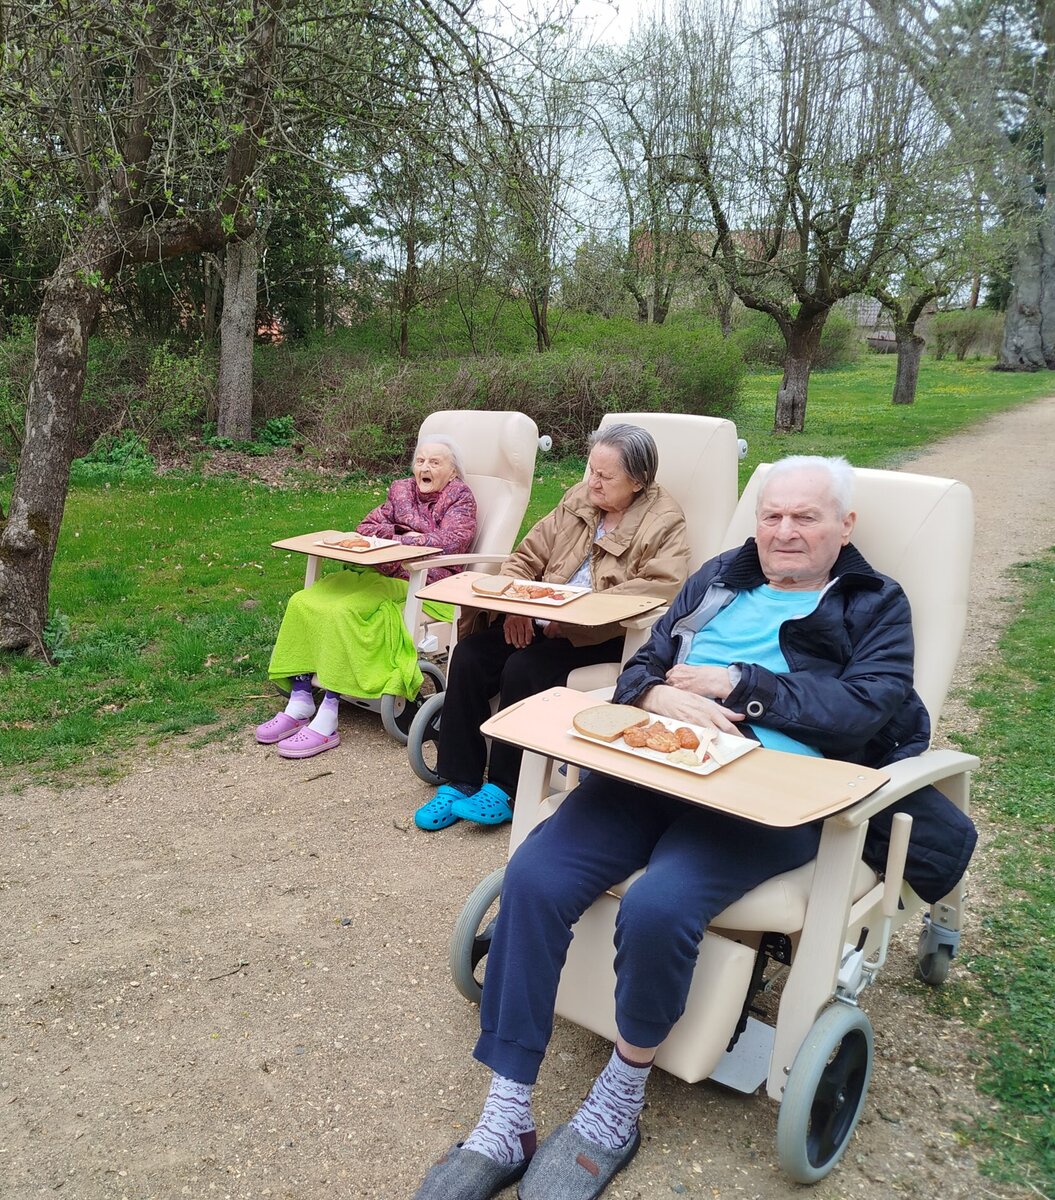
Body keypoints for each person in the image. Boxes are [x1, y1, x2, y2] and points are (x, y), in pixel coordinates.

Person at [412, 456, 978, 1200]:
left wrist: (741, 685)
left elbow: (867, 708)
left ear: (845, 526)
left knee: (660, 905)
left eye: (805, 517)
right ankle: (507, 1112)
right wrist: (653, 697)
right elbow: (640, 665)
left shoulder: (873, 603)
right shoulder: (719, 577)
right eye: (771, 515)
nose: (783, 531)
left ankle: (618, 1102)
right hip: (657, 764)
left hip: (768, 795)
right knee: (535, 876)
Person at [415, 424, 690, 831]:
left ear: (638, 481)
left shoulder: (664, 521)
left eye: (605, 476)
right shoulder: (578, 499)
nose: (592, 482)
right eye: (591, 470)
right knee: (471, 655)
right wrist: (514, 607)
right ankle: (460, 779)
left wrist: (575, 616)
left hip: (603, 634)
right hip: (543, 616)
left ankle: (507, 788)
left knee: (524, 667)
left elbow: (659, 587)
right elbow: (526, 556)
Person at [259, 438, 477, 759]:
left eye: (434, 462)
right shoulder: (400, 490)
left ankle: (329, 712)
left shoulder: (460, 497)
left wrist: (399, 538)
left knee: (347, 609)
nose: (424, 468)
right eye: (420, 461)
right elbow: (365, 527)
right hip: (380, 571)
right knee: (304, 601)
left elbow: (451, 541)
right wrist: (405, 536)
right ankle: (302, 697)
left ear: (453, 471)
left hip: (426, 581)